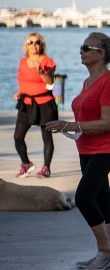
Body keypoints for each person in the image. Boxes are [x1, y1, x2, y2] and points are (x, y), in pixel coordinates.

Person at [44, 33, 110, 270]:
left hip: (106, 148)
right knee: (101, 198)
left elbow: (107, 122)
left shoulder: (109, 81)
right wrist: (65, 124)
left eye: (86, 48)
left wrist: (71, 126)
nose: (81, 51)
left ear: (101, 54)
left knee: (84, 198)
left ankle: (106, 251)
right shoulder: (88, 81)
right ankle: (106, 252)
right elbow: (87, 117)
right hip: (86, 147)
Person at [13, 32, 57, 179]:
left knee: (47, 137)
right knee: (18, 137)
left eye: (37, 42)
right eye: (30, 42)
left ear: (41, 45)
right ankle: (26, 164)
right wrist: (20, 91)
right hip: (26, 103)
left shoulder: (48, 61)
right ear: (26, 46)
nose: (34, 45)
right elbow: (24, 80)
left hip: (44, 103)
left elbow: (50, 82)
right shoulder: (22, 61)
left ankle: (46, 168)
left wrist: (40, 71)